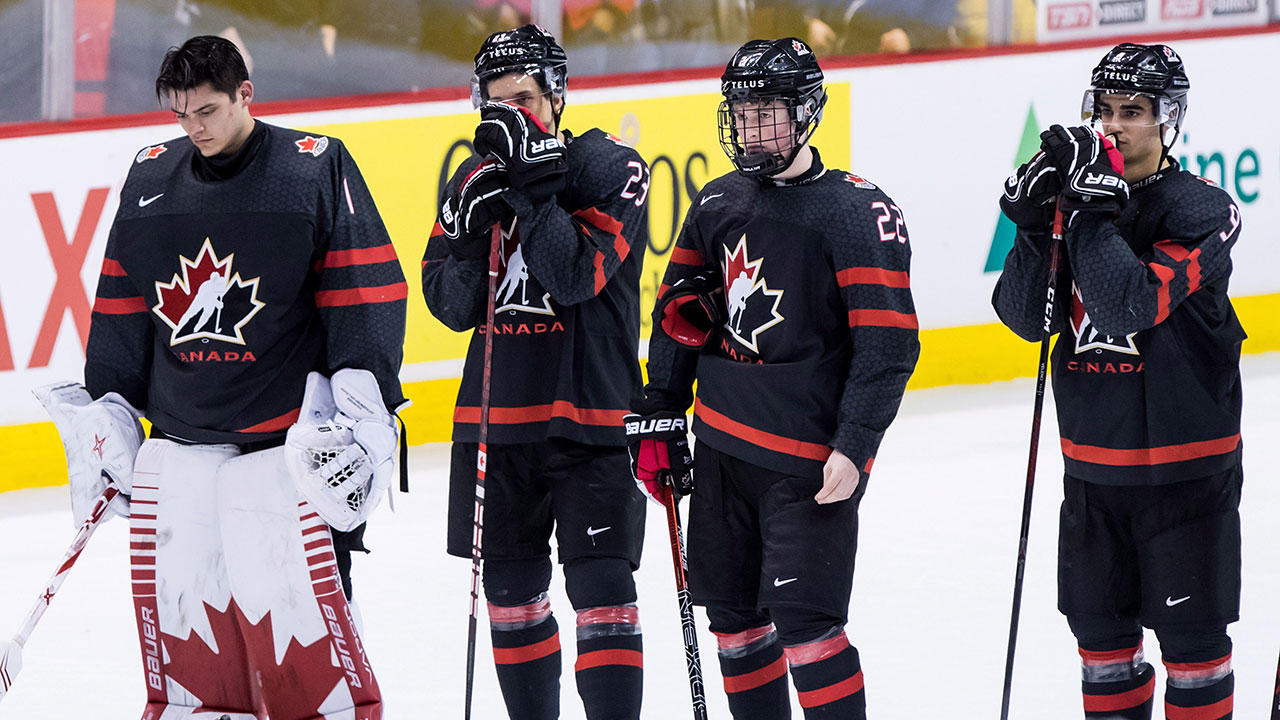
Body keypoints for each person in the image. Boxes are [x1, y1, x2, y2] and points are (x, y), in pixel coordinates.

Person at [74, 34, 407, 719]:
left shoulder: (311, 169)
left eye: (208, 110)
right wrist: (107, 415)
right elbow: (122, 304)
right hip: (184, 446)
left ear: (245, 95)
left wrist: (364, 411)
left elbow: (363, 291)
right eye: (180, 114)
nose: (194, 127)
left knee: (309, 643)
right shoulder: (149, 180)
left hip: (287, 453)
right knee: (204, 652)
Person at [627, 37, 919, 719]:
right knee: (733, 623)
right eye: (743, 113)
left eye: (769, 113)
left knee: (808, 629)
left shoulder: (853, 213)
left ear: (807, 113)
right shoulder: (719, 202)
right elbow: (674, 316)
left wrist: (857, 443)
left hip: (807, 462)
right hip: (724, 449)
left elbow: (888, 344)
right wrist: (662, 414)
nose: (753, 128)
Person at [993, 43, 1243, 719]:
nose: (1114, 126)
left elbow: (1130, 303)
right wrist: (1029, 227)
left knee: (1193, 653)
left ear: (1170, 120)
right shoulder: (1076, 206)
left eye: (1132, 111)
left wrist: (1089, 212)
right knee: (1102, 651)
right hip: (1094, 477)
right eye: (1103, 110)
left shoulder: (1203, 210)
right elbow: (1026, 320)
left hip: (1185, 479)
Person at [421, 24, 651, 720]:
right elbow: (449, 306)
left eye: (523, 98)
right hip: (499, 420)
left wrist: (530, 192)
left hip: (595, 415)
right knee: (511, 594)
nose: (509, 116)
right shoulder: (472, 175)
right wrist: (463, 234)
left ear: (557, 94)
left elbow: (575, 274)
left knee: (604, 592)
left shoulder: (612, 168)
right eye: (495, 104)